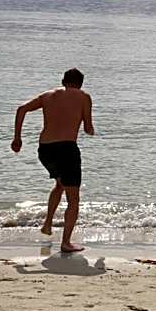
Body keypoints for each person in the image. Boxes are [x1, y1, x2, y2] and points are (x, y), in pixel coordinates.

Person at [11, 68, 94, 253]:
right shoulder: (83, 97)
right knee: (73, 199)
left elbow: (21, 109)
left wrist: (17, 138)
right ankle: (66, 243)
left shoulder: (47, 95)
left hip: (45, 150)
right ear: (80, 84)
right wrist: (89, 128)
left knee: (60, 185)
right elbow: (88, 128)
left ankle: (47, 224)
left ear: (63, 81)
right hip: (67, 150)